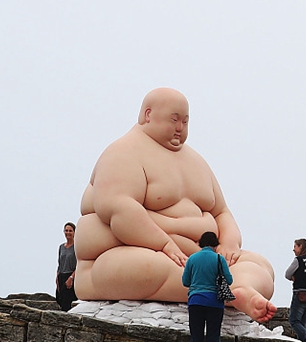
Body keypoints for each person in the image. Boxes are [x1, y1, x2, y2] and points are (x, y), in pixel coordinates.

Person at [74, 88, 277, 323]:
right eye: (174, 119)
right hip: (130, 253)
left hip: (199, 257)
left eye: (185, 121)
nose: (180, 127)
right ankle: (224, 291)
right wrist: (164, 245)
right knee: (149, 267)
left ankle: (241, 289)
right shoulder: (122, 152)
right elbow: (119, 209)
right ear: (148, 115)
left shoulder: (197, 162)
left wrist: (229, 242)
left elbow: (221, 211)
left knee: (260, 265)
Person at [181, 231, 232, 342]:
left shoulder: (192, 258)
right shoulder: (219, 259)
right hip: (215, 302)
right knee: (213, 336)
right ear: (215, 244)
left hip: (195, 300)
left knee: (196, 337)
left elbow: (185, 281)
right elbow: (229, 280)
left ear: (201, 243)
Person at [286, 238, 306, 342]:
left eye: (295, 246)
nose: (293, 249)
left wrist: (293, 277)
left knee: (294, 320)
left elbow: (287, 274)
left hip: (300, 294)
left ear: (301, 246)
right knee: (301, 323)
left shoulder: (298, 260)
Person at [56, 222, 78, 311]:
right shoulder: (61, 247)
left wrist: (71, 278)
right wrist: (57, 278)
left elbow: (79, 264)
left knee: (67, 302)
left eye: (70, 231)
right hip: (61, 275)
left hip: (71, 275)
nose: (68, 233)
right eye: (66, 230)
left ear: (74, 232)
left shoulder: (76, 247)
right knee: (59, 299)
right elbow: (59, 263)